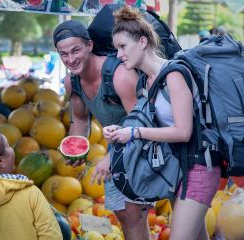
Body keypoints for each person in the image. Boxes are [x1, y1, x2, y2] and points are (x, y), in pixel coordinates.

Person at [103, 5, 221, 240]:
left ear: (143, 42)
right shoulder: (146, 81)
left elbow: (183, 131)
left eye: (123, 46)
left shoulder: (174, 74)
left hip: (198, 167)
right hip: (177, 169)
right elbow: (150, 123)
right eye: (116, 48)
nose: (118, 54)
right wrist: (123, 130)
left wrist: (135, 133)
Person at [53, 20, 151, 240]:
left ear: (89, 45)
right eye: (64, 54)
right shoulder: (72, 82)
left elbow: (141, 121)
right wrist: (75, 146)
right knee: (123, 213)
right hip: (114, 148)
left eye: (76, 50)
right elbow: (79, 118)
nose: (71, 59)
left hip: (140, 144)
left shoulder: (120, 77)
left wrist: (110, 157)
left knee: (134, 215)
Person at [0, 128, 62, 240]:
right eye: (8, 146)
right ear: (0, 161)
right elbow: (51, 236)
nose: (13, 149)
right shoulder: (31, 193)